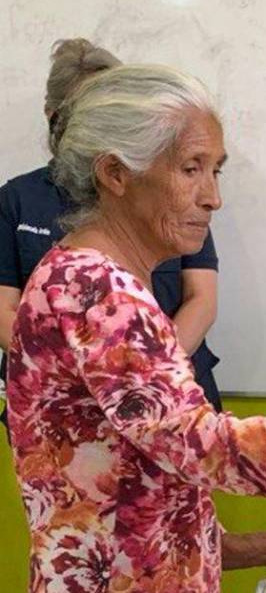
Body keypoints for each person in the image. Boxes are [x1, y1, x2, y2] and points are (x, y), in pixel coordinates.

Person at [5, 63, 266, 591]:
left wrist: (218, 544)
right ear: (116, 174)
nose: (213, 197)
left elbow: (123, 467)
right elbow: (190, 440)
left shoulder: (79, 273)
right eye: (191, 168)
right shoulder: (98, 289)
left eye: (216, 170)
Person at [0, 40, 224, 439]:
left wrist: (150, 371)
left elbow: (201, 299)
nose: (211, 197)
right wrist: (79, 377)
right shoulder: (24, 207)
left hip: (172, 390)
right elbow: (7, 310)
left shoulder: (173, 205)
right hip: (75, 421)